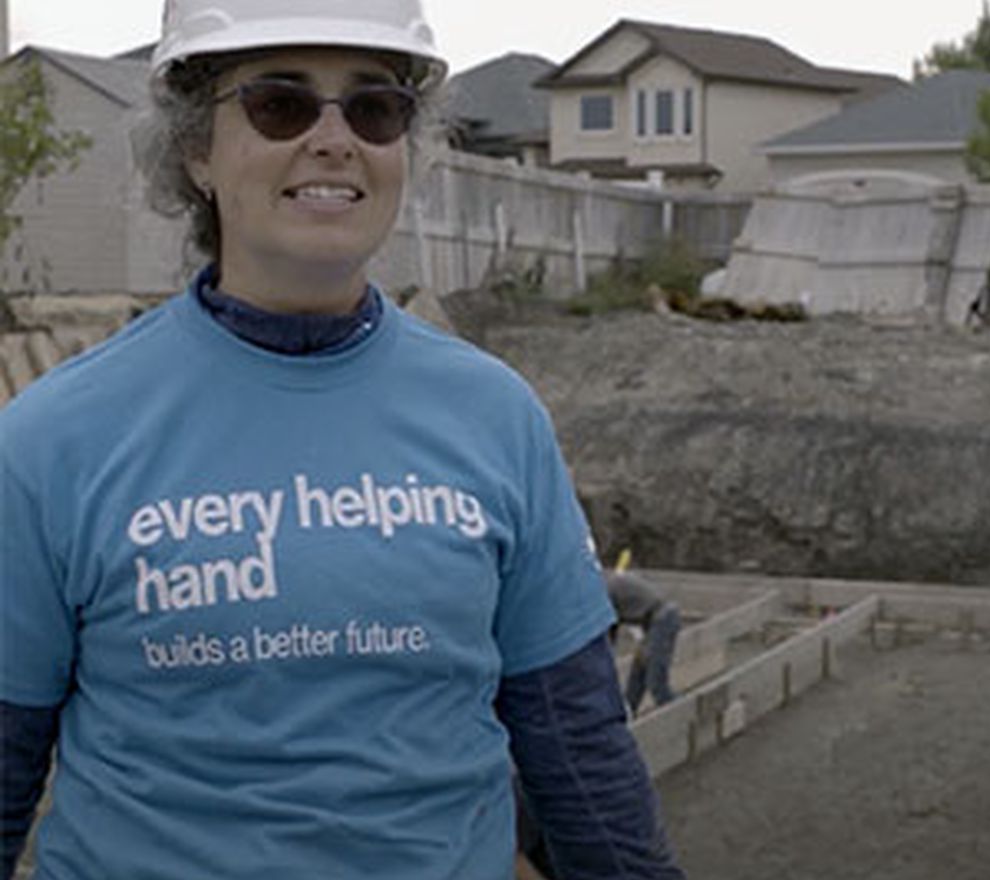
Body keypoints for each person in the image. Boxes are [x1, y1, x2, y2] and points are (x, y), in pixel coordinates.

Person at [0, 3, 685, 878]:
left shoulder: (495, 417)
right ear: (195, 151)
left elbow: (578, 755)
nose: (334, 139)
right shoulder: (53, 440)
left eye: (375, 107)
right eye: (280, 104)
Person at [605, 570, 682, 715]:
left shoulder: (606, 592)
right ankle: (627, 715)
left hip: (661, 620)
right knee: (637, 676)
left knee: (656, 682)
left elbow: (609, 632)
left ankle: (681, 714)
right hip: (651, 622)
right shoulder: (611, 584)